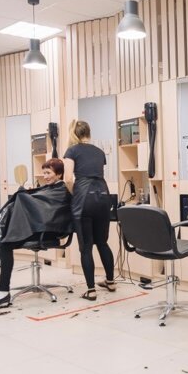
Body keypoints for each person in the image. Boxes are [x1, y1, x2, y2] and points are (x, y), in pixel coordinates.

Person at [0, 158, 71, 310]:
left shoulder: (61, 191)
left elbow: (48, 214)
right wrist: (26, 195)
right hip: (36, 228)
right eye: (44, 173)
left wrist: (25, 196)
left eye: (48, 173)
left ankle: (3, 292)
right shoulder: (49, 188)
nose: (45, 176)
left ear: (59, 174)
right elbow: (36, 205)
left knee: (5, 244)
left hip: (47, 232)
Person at [63, 120, 115, 301]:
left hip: (85, 198)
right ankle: (110, 281)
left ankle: (91, 290)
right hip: (103, 195)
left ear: (74, 133)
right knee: (102, 242)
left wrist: (75, 194)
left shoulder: (72, 150)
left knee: (86, 247)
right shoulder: (99, 151)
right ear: (88, 132)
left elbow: (68, 179)